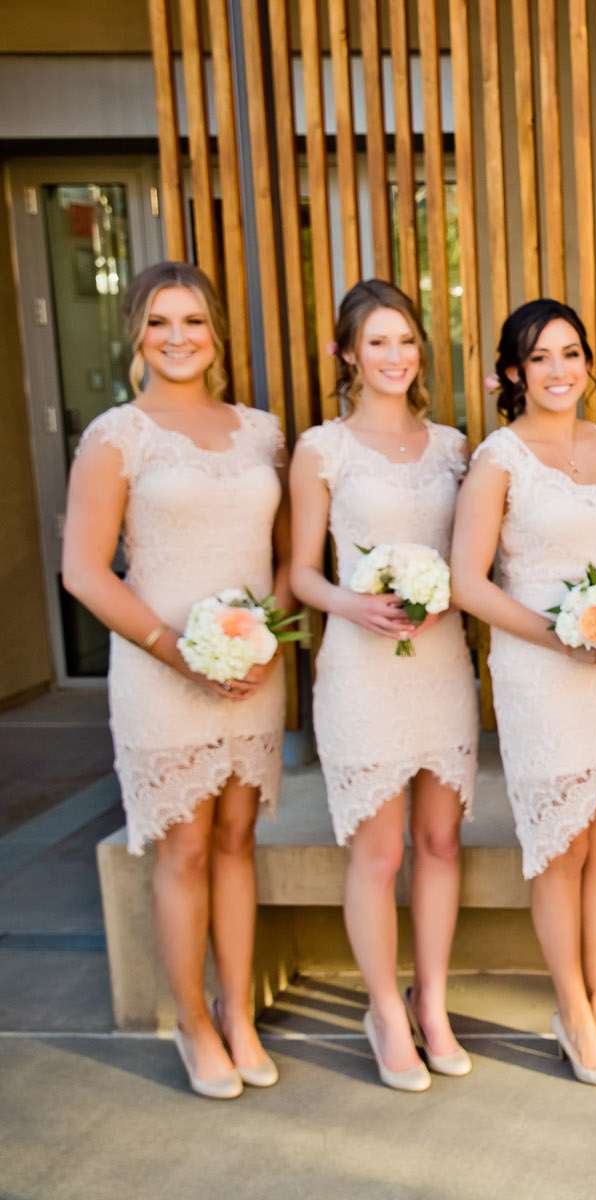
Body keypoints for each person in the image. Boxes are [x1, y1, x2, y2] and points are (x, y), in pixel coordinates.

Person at [62, 261, 288, 1099]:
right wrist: (176, 648)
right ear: (137, 335)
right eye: (161, 322)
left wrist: (267, 637)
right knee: (184, 846)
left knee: (237, 842)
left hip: (251, 666)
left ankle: (238, 1015)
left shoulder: (262, 432)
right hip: (163, 671)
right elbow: (85, 571)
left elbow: (283, 563)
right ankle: (192, 1022)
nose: (179, 337)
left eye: (193, 320)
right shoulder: (117, 436)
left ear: (214, 333)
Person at [451, 300, 596, 1087]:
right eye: (540, 357)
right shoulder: (499, 458)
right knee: (560, 847)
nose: (560, 369)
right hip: (542, 672)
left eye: (571, 352)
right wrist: (561, 632)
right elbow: (468, 582)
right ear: (512, 373)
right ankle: (571, 1011)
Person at [290, 279, 478, 1091]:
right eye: (377, 343)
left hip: (440, 662)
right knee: (378, 850)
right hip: (360, 668)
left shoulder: (454, 446)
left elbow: (473, 560)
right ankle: (381, 1010)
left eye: (406, 341)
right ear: (347, 354)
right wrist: (351, 603)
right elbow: (297, 572)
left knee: (439, 842)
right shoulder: (320, 449)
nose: (395, 357)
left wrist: (443, 594)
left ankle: (429, 1003)